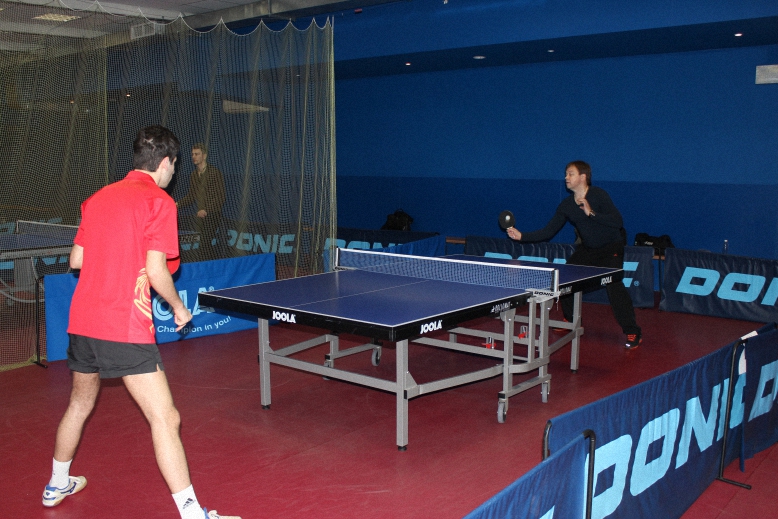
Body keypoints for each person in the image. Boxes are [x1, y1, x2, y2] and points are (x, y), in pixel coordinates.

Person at [42, 126, 240, 519]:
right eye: (175, 166)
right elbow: (156, 270)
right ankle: (193, 514)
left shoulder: (97, 198)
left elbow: (77, 260)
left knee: (79, 405)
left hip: (83, 321)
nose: (174, 173)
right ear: (165, 163)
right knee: (166, 417)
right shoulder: (159, 201)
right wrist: (178, 308)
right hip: (124, 325)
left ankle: (56, 483)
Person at [506, 160, 642, 349]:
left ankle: (632, 330)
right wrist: (522, 236)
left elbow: (618, 221)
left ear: (583, 177)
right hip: (588, 249)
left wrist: (591, 213)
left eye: (571, 173)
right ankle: (570, 319)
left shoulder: (598, 195)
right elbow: (548, 232)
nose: (566, 177)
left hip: (611, 248)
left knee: (614, 286)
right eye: (566, 174)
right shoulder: (567, 205)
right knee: (565, 279)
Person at [176, 143, 226, 261]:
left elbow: (221, 196)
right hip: (201, 216)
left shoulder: (214, 173)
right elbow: (191, 196)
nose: (194, 157)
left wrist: (206, 210)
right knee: (204, 245)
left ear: (204, 156)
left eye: (197, 154)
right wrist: (177, 204)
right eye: (192, 154)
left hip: (212, 215)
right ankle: (211, 265)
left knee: (204, 244)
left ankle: (210, 266)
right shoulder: (194, 175)